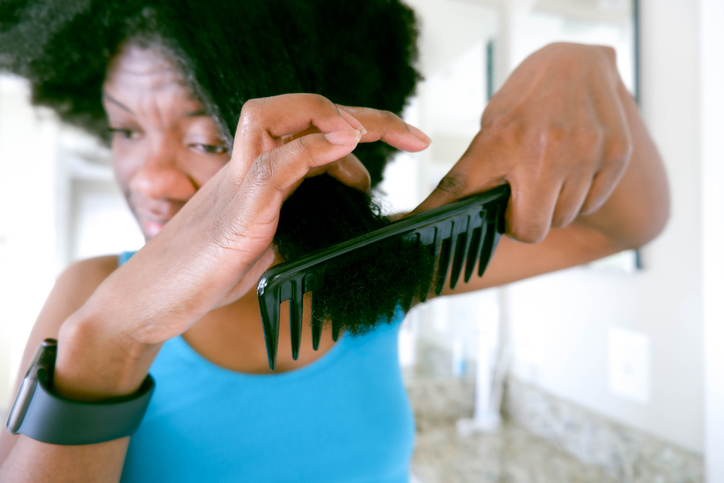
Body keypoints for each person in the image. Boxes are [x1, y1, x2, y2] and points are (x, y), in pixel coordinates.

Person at [0, 0, 669, 481]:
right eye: (125, 132)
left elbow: (622, 224)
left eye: (207, 139)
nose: (146, 175)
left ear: (315, 136)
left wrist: (584, 64)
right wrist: (115, 337)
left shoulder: (373, 273)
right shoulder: (90, 300)